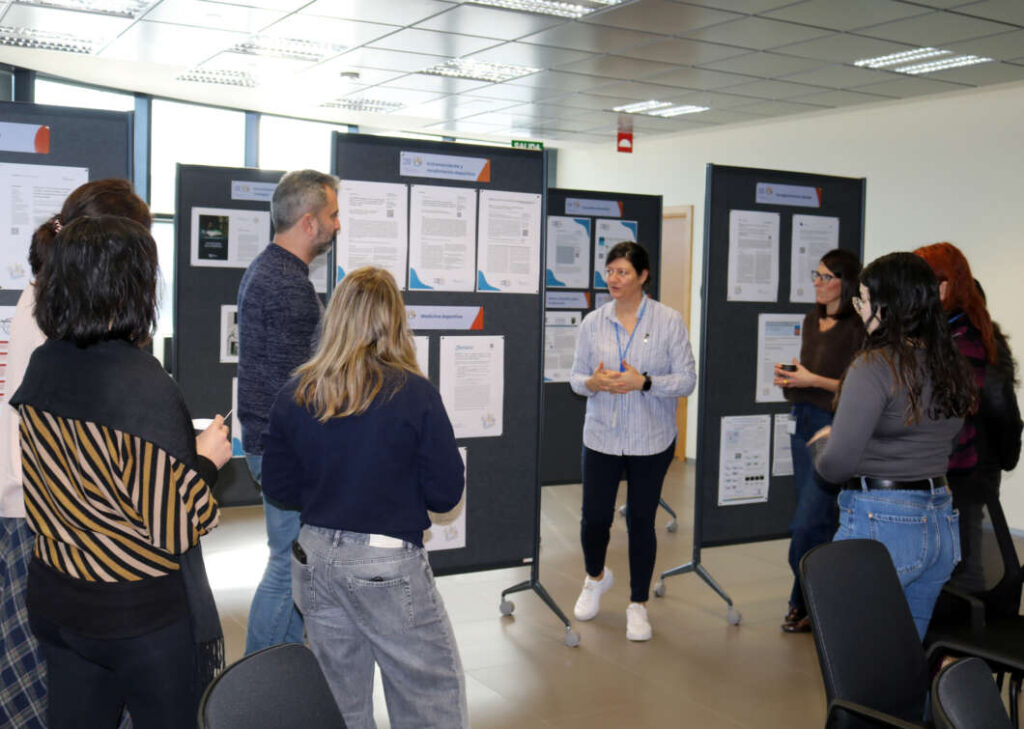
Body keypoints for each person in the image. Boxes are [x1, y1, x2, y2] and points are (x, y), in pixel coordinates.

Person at [10, 216, 232, 728]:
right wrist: (205, 460)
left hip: (56, 596)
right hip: (131, 612)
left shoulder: (44, 363)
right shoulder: (142, 384)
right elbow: (174, 526)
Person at [261, 266, 467, 729]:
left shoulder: (296, 392)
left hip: (314, 557)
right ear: (395, 321)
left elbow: (277, 488)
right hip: (386, 563)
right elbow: (444, 494)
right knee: (428, 699)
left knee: (341, 704)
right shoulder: (415, 394)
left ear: (335, 317)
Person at [0, 179, 152, 728]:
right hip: (42, 511)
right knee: (54, 677)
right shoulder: (57, 310)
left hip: (36, 503)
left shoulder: (46, 296)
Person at [810, 252, 975, 639]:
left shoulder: (874, 366)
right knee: (905, 652)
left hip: (883, 523)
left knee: (854, 651)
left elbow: (836, 466)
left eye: (863, 300)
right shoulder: (951, 363)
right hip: (940, 520)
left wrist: (822, 446)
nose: (859, 309)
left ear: (887, 306)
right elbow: (937, 439)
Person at [569, 241, 696, 641]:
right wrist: (593, 382)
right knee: (594, 520)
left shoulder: (669, 321)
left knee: (641, 521)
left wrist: (645, 382)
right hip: (601, 436)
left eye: (622, 272)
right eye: (609, 271)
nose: (613, 279)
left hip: (651, 439)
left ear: (643, 276)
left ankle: (638, 604)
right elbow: (575, 378)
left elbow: (687, 380)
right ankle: (595, 577)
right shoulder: (593, 322)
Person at [237, 169, 339, 654]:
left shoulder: (266, 268)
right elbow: (301, 386)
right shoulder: (288, 286)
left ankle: (282, 670)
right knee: (288, 564)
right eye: (332, 215)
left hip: (269, 441)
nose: (338, 225)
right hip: (285, 448)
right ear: (309, 222)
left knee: (292, 561)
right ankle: (255, 676)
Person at [914, 243, 1023, 592]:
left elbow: (1002, 409)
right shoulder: (939, 334)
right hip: (951, 465)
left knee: (964, 564)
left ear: (947, 286)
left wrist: (1003, 460)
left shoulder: (970, 339)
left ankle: (966, 624)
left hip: (970, 467)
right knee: (946, 557)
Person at [773, 249, 864, 633]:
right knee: (818, 521)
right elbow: (809, 374)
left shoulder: (858, 326)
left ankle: (816, 599)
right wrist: (792, 379)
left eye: (827, 276)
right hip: (803, 420)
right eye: (817, 274)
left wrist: (812, 380)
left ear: (846, 282)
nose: (818, 282)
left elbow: (858, 386)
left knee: (807, 524)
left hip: (833, 425)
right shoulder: (811, 320)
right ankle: (805, 601)